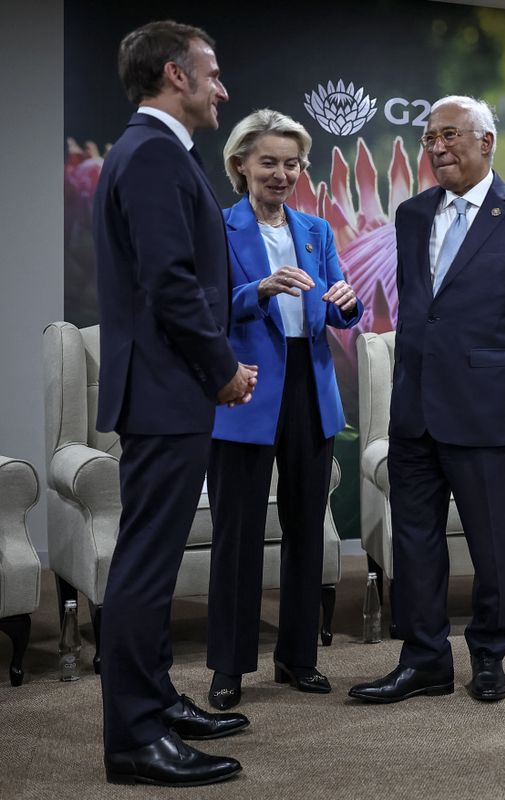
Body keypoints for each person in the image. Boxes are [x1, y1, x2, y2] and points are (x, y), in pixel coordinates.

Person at [349, 95, 505, 704]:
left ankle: (488, 655)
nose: (437, 148)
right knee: (415, 540)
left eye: (449, 135)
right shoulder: (411, 214)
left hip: (489, 409)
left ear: (486, 143)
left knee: (491, 544)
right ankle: (424, 658)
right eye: (429, 140)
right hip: (416, 410)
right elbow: (422, 312)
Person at [92, 20, 257, 786]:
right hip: (167, 389)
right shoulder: (154, 153)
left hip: (164, 388)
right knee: (147, 567)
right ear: (174, 76)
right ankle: (134, 738)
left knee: (148, 560)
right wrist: (221, 368)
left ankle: (155, 699)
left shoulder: (152, 151)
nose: (223, 88)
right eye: (212, 73)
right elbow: (171, 281)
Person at [205, 109, 362, 711]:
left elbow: (343, 308)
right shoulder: (218, 228)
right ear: (240, 165)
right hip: (244, 390)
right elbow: (205, 308)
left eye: (291, 163)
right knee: (237, 537)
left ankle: (298, 658)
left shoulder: (317, 230)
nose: (281, 173)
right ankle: (229, 666)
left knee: (306, 530)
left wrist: (346, 303)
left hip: (310, 387)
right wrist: (258, 291)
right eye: (268, 161)